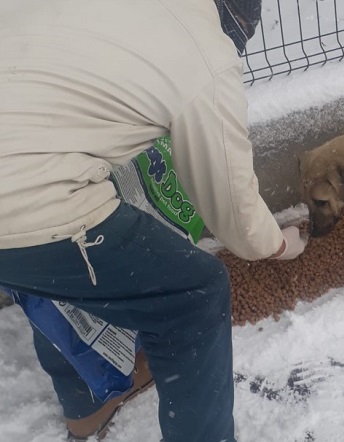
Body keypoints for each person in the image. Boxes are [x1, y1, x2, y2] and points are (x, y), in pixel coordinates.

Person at [0, 0, 307, 441]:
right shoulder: (204, 53)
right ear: (235, 23)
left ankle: (87, 401)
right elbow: (235, 212)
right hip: (22, 196)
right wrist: (278, 243)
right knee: (193, 292)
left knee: (48, 270)